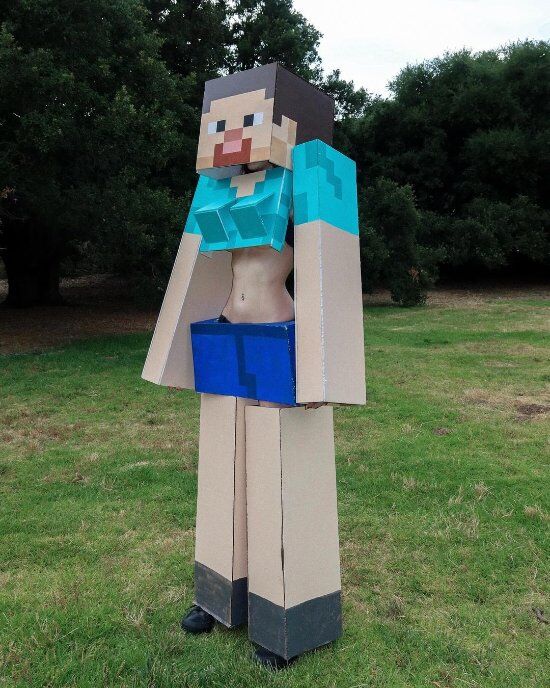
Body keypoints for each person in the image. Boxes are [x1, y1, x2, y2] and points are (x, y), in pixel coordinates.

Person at [142, 63, 366, 670]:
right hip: (226, 332)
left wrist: (323, 370)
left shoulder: (312, 178)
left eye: (246, 121)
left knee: (279, 468)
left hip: (275, 335)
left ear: (285, 124)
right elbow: (193, 270)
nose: (231, 137)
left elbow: (332, 270)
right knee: (223, 464)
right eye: (221, 124)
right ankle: (217, 597)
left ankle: (288, 612)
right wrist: (175, 355)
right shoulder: (219, 192)